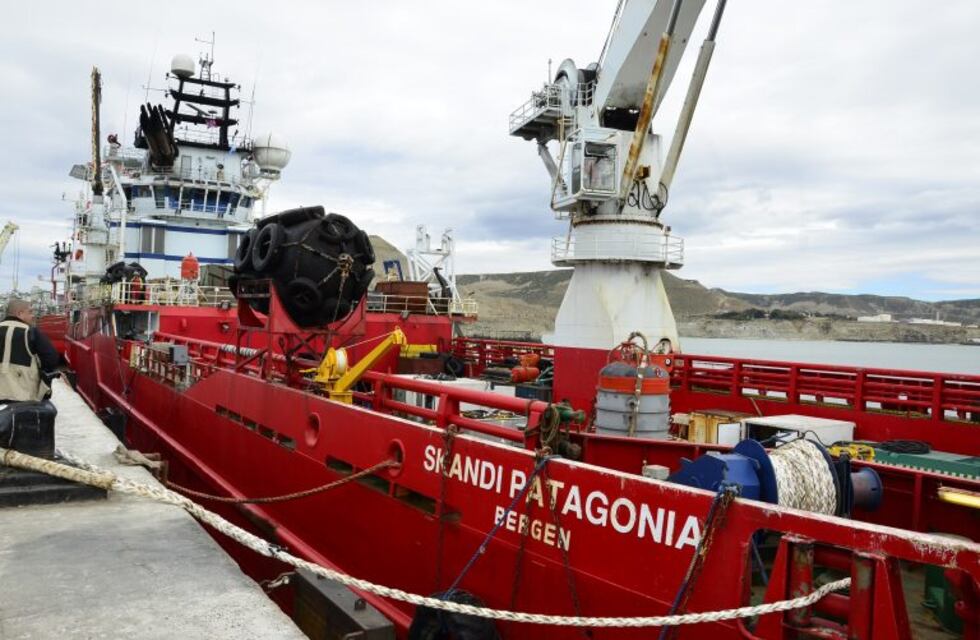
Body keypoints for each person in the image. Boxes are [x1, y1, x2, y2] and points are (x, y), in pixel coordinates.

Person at [0, 299, 60, 403]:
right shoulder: (31, 332)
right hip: (24, 396)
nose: (33, 316)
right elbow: (51, 359)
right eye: (30, 312)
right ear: (20, 313)